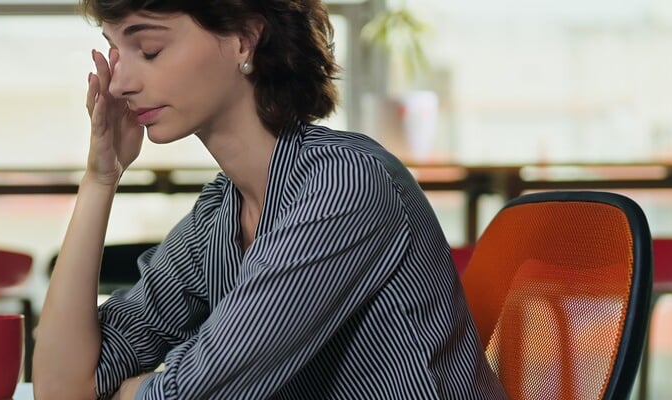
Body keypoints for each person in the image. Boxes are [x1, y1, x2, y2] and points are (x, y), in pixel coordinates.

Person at [31, 0, 507, 399]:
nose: (119, 84)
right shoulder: (218, 218)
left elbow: (193, 392)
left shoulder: (346, 185)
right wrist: (100, 179)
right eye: (116, 51)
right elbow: (60, 388)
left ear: (243, 40)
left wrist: (125, 392)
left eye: (149, 50)